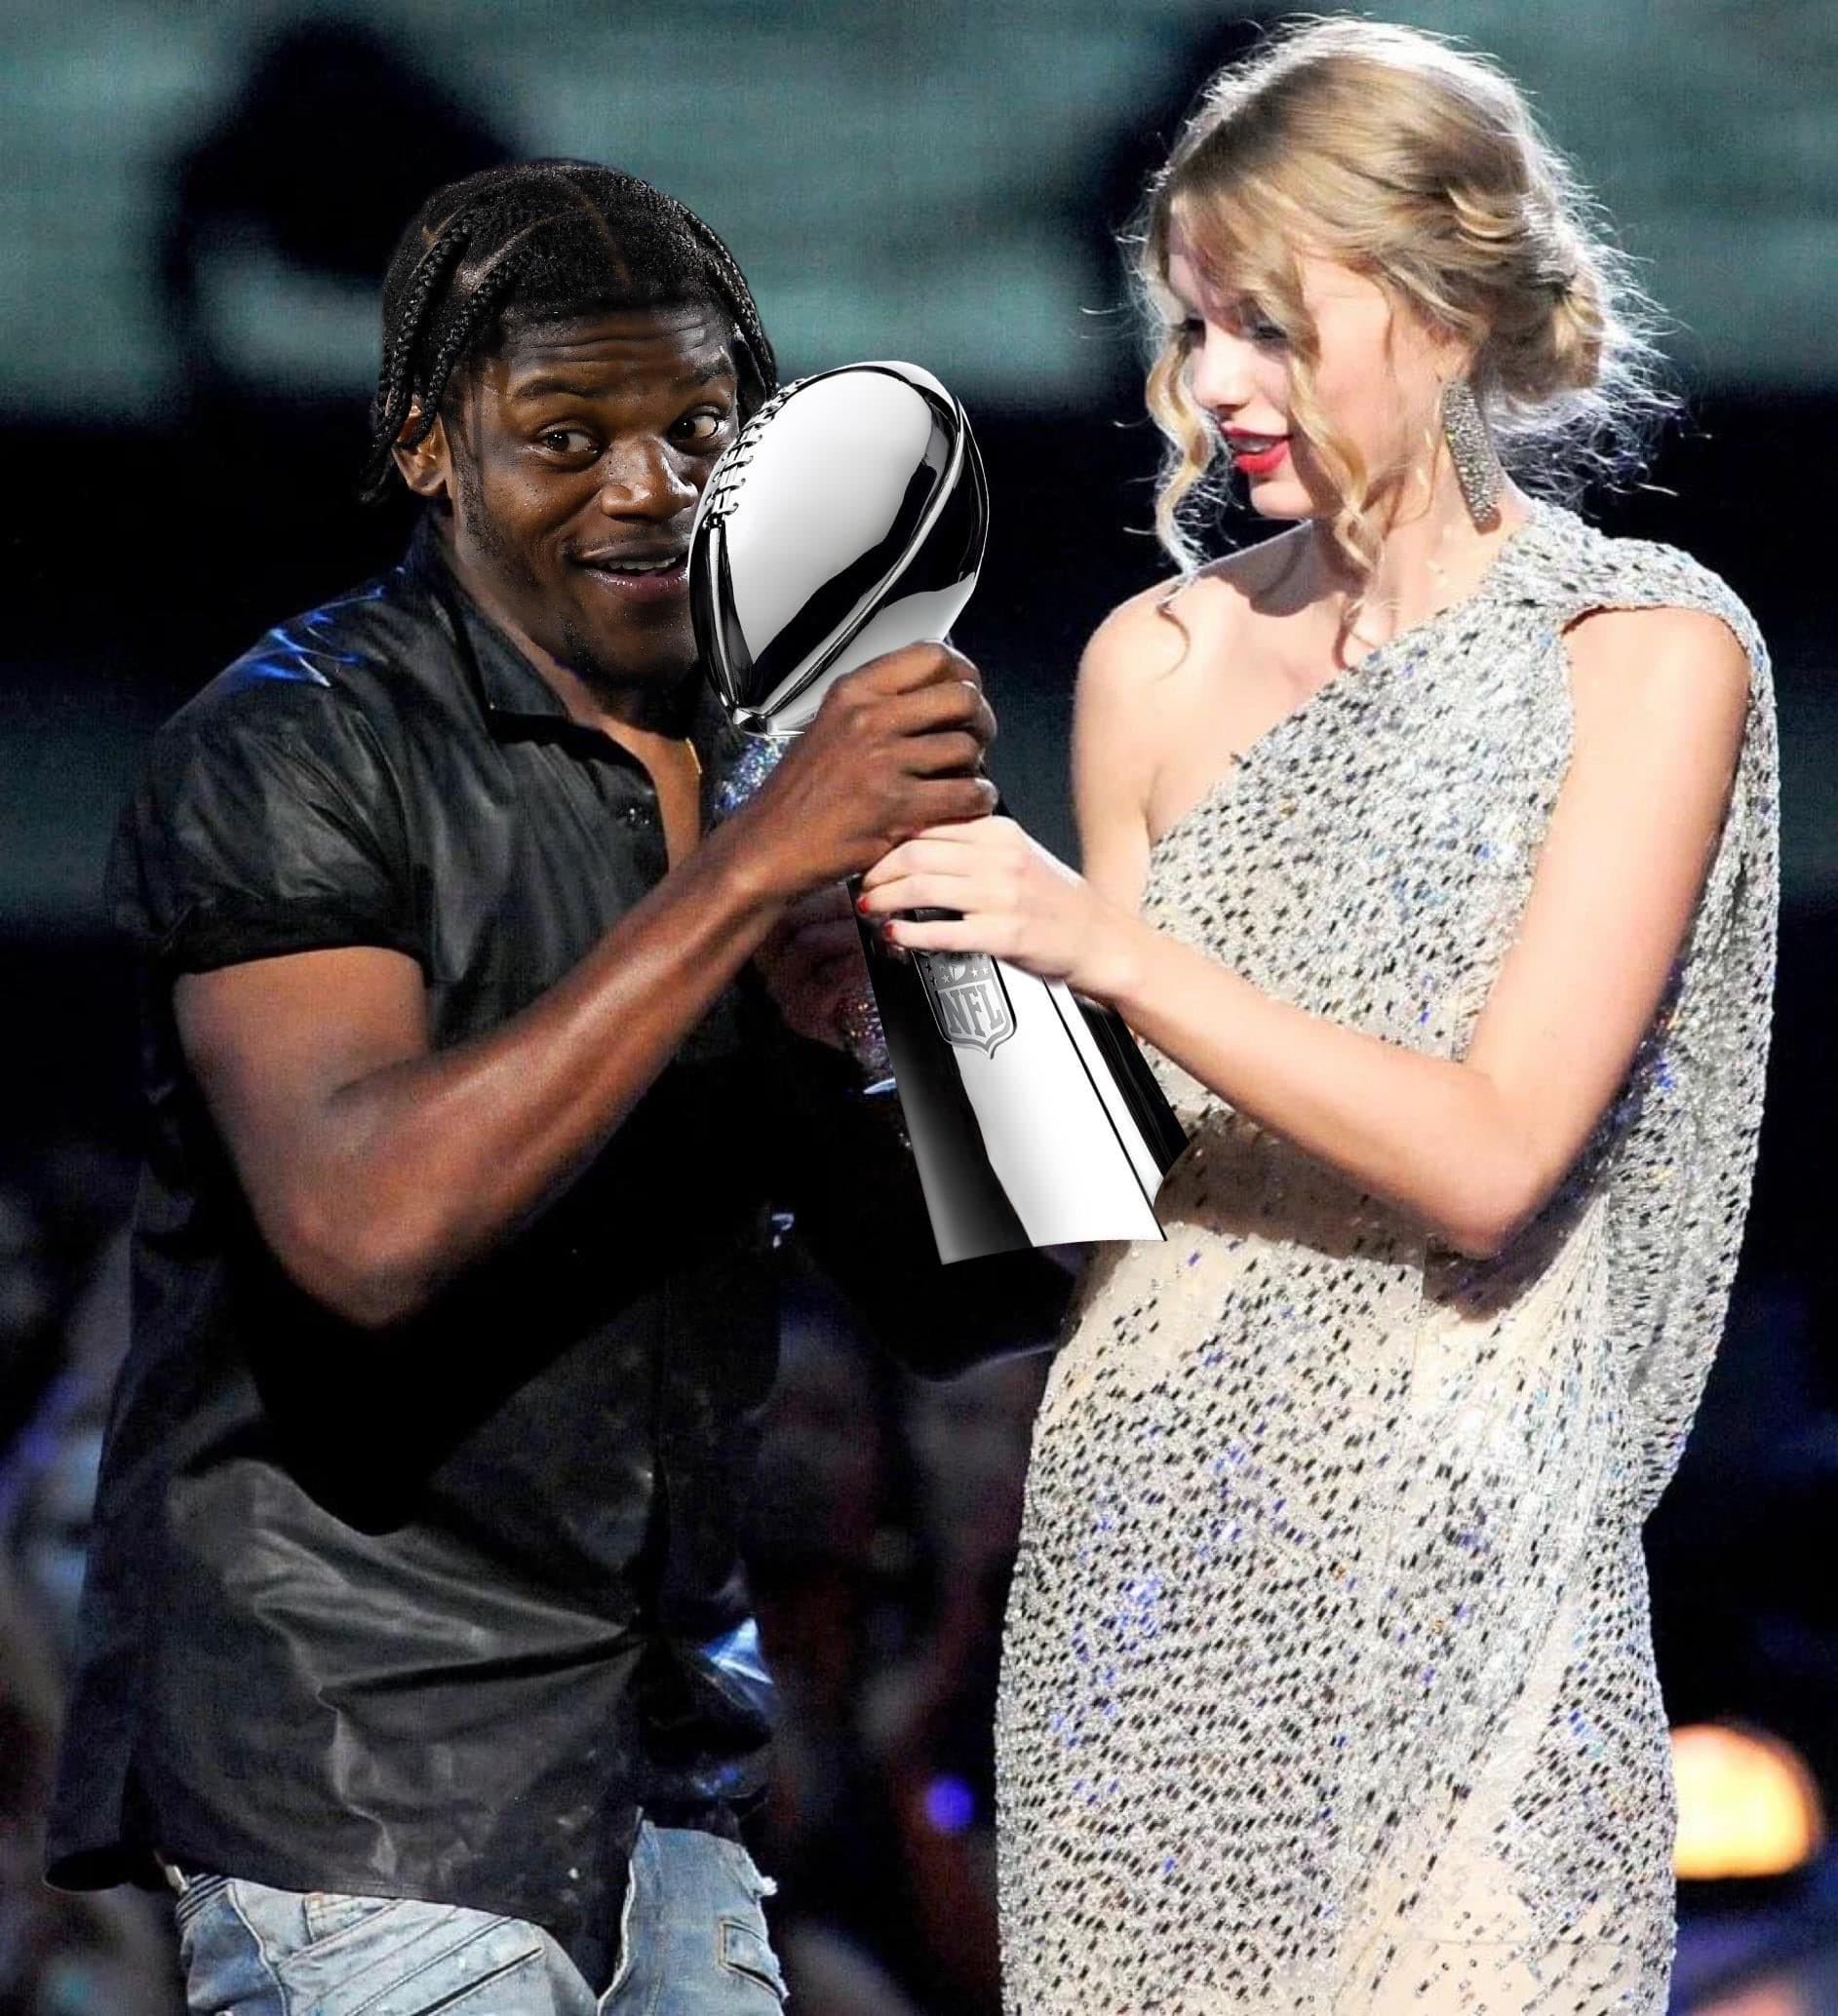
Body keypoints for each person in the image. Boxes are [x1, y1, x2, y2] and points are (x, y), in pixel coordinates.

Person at [45, 160, 1066, 2016]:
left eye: (699, 430)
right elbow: (362, 1228)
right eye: (567, 436)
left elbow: (974, 1303)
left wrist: (881, 1019)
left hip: (670, 1775)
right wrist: (740, 884)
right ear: (429, 448)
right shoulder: (291, 747)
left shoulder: (769, 748)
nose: (648, 487)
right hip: (361, 1773)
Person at [857, 21, 1778, 2013]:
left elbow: (1491, 1156)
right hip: (1148, 1576)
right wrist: (920, 1008)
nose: (1211, 384)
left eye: (1268, 326)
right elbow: (1096, 1203)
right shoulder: (1157, 658)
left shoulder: (1639, 652)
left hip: (1473, 1575)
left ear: (1444, 312)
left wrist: (1100, 950)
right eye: (1194, 327)